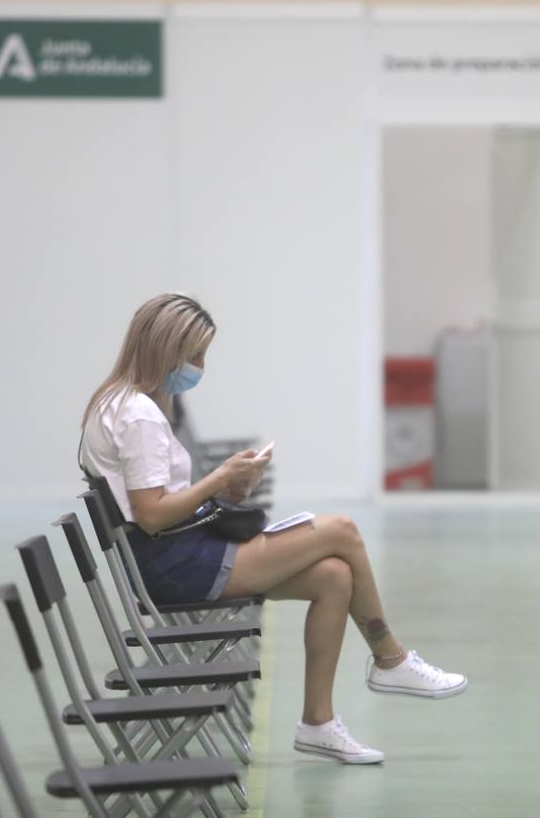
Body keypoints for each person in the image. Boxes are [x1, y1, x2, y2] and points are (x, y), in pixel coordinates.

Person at [79, 293, 466, 765]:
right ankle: (391, 660)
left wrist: (229, 491)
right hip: (171, 563)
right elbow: (153, 514)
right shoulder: (137, 414)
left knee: (334, 577)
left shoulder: (123, 403)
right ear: (164, 348)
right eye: (195, 355)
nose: (201, 365)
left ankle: (318, 724)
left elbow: (155, 507)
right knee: (341, 530)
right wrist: (220, 478)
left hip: (174, 551)